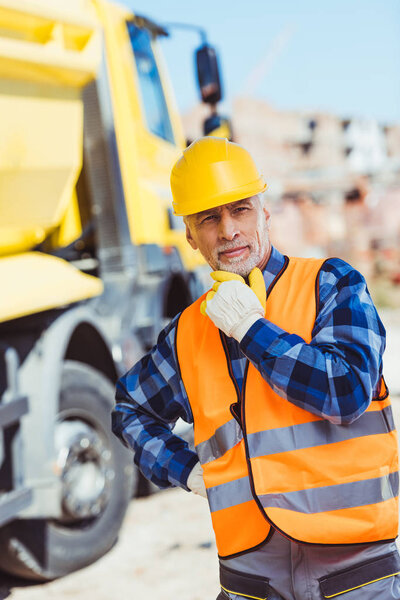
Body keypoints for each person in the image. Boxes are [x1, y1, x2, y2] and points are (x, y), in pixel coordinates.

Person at [112, 137, 400, 600]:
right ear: (189, 235)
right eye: (209, 217)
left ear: (264, 212)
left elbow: (346, 391)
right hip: (251, 579)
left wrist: (251, 329)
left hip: (354, 572)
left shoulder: (332, 284)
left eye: (240, 209)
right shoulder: (188, 331)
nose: (228, 230)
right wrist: (184, 469)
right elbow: (129, 409)